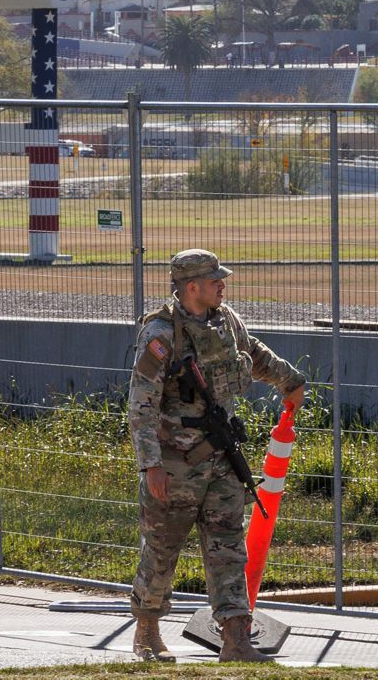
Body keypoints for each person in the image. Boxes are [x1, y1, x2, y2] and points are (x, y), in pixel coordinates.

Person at [128, 249, 305, 663]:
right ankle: (147, 632)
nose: (222, 285)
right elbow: (141, 404)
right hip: (174, 466)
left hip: (220, 458)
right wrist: (151, 464)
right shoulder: (161, 334)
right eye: (214, 280)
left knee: (228, 547)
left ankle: (237, 639)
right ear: (192, 287)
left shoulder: (226, 321)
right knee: (162, 549)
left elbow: (254, 353)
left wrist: (289, 379)